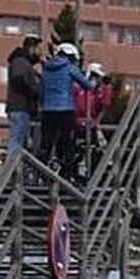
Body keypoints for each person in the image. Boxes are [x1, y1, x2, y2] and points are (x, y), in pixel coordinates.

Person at [37, 42, 93, 180]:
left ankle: (40, 175)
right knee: (68, 143)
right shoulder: (70, 68)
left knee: (46, 144)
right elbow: (87, 85)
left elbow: (41, 92)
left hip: (47, 111)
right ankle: (67, 176)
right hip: (65, 109)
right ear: (71, 56)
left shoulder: (46, 69)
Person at [4, 35, 42, 158]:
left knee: (21, 141)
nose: (39, 53)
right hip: (19, 107)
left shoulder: (23, 63)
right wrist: (33, 91)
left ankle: (16, 166)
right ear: (31, 48)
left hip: (22, 108)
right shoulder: (21, 62)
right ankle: (12, 166)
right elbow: (18, 80)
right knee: (16, 141)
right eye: (38, 49)